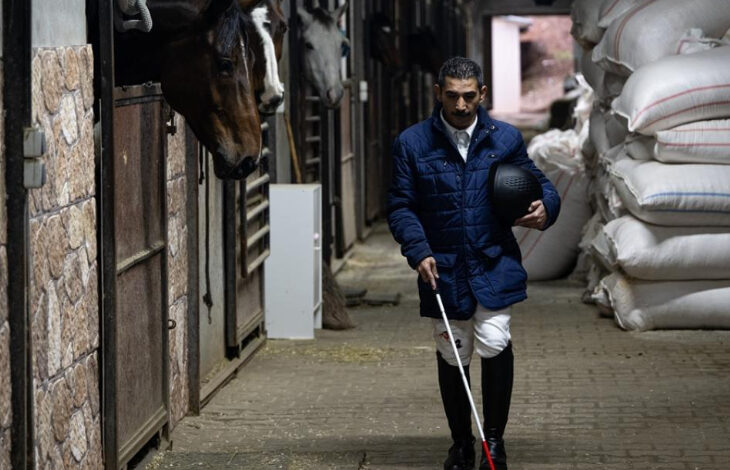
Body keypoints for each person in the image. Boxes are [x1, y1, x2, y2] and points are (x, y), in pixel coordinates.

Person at [387, 57, 561, 470]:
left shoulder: (505, 139)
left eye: (469, 96)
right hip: (442, 266)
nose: (461, 105)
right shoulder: (412, 144)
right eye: (452, 96)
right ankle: (461, 444)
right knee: (454, 351)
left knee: (496, 341)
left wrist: (545, 208)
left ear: (482, 94)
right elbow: (400, 205)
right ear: (438, 93)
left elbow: (542, 185)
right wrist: (418, 250)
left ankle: (494, 444)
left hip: (492, 260)